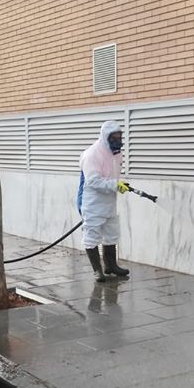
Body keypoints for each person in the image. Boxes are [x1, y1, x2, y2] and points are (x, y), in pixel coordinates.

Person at [77, 120, 130, 282]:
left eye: (119, 136)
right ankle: (97, 270)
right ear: (105, 136)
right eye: (114, 137)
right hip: (92, 202)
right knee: (91, 235)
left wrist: (118, 185)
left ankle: (110, 266)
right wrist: (115, 185)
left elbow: (111, 177)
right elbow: (92, 181)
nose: (117, 140)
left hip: (109, 201)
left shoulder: (116, 154)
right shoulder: (92, 154)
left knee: (112, 234)